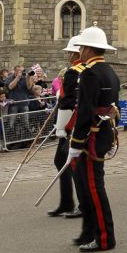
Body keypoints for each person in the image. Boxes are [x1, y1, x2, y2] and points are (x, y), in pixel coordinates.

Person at [67, 25, 121, 252]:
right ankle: (93, 232)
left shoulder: (90, 74)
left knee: (94, 188)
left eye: (82, 48)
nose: (80, 52)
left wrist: (75, 143)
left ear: (89, 49)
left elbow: (86, 111)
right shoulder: (109, 71)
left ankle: (105, 238)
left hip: (91, 137)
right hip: (104, 133)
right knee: (92, 187)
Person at [48, 36, 82, 218]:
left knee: (70, 162)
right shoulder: (89, 70)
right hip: (79, 122)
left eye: (70, 52)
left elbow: (68, 102)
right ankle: (67, 202)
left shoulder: (73, 72)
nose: (68, 55)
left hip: (71, 124)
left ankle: (78, 204)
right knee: (62, 161)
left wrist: (60, 127)